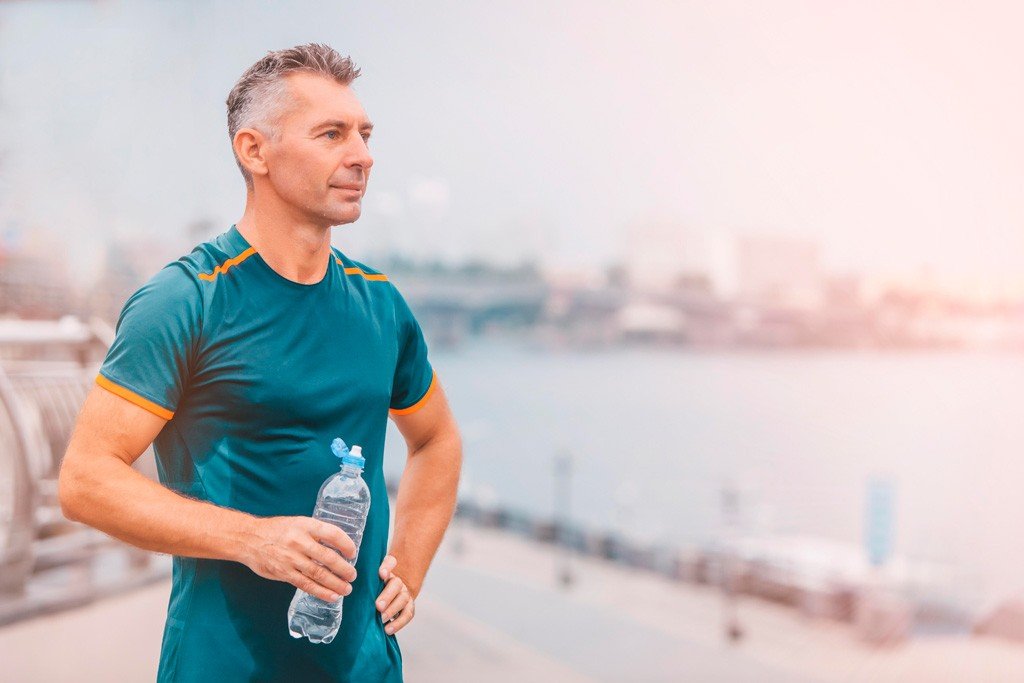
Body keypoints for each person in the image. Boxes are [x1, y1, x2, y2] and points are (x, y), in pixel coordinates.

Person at [58, 43, 462, 682]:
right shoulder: (186, 300)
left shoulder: (382, 305)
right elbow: (85, 481)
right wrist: (255, 540)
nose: (362, 156)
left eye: (364, 134)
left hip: (366, 668)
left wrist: (407, 566)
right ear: (255, 151)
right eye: (331, 134)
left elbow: (436, 440)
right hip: (222, 666)